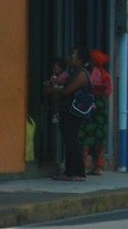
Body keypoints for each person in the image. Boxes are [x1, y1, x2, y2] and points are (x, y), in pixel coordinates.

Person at [46, 47, 92, 181]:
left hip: (73, 112)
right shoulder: (74, 72)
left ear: (80, 59)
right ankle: (69, 172)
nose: (70, 58)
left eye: (73, 55)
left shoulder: (81, 74)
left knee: (72, 141)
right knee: (68, 141)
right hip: (67, 111)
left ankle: (78, 172)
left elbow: (67, 91)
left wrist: (53, 90)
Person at [79, 49, 113, 175]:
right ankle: (98, 167)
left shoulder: (92, 73)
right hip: (101, 106)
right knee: (100, 137)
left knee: (85, 135)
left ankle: (83, 166)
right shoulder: (105, 75)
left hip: (90, 104)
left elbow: (87, 86)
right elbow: (109, 92)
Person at [44, 57, 69, 124]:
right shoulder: (54, 76)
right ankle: (56, 114)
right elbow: (51, 82)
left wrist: (55, 82)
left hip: (62, 93)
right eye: (53, 68)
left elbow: (63, 82)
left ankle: (57, 114)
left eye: (55, 68)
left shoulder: (65, 75)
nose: (53, 70)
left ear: (61, 68)